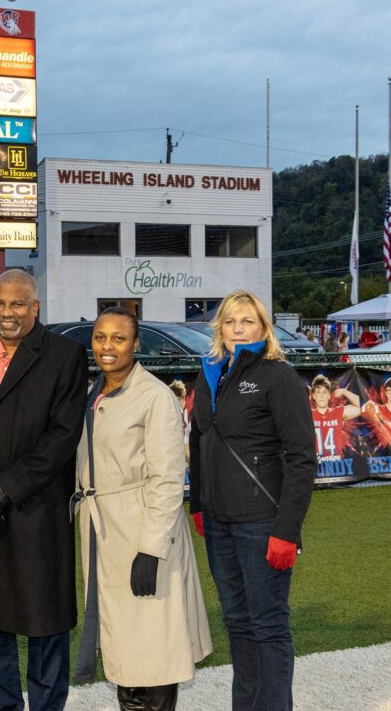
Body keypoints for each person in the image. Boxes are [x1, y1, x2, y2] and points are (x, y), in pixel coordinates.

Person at [0, 269, 87, 711]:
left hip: (36, 513)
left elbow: (62, 438)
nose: (8, 313)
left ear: (35, 307)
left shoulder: (65, 356)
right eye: (0, 304)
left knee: (46, 627)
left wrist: (3, 491)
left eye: (18, 304)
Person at [73, 308, 211, 710]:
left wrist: (150, 548)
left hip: (143, 532)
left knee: (153, 649)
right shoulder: (92, 392)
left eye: (118, 338)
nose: (107, 346)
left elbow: (168, 478)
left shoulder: (155, 396)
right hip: (105, 531)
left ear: (136, 344)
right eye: (100, 337)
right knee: (123, 646)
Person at [189, 290, 316, 710]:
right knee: (238, 624)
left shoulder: (278, 376)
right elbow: (199, 437)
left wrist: (286, 529)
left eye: (248, 321)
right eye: (230, 321)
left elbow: (302, 458)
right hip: (219, 522)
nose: (238, 328)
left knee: (268, 625)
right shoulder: (210, 372)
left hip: (262, 522)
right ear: (219, 328)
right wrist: (198, 503)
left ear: (263, 328)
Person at [310, 375, 361, 461]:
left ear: (329, 396)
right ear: (313, 396)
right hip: (316, 464)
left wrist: (344, 392)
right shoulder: (308, 413)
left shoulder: (337, 412)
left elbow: (361, 406)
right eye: (318, 392)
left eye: (324, 392)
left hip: (337, 465)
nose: (321, 396)